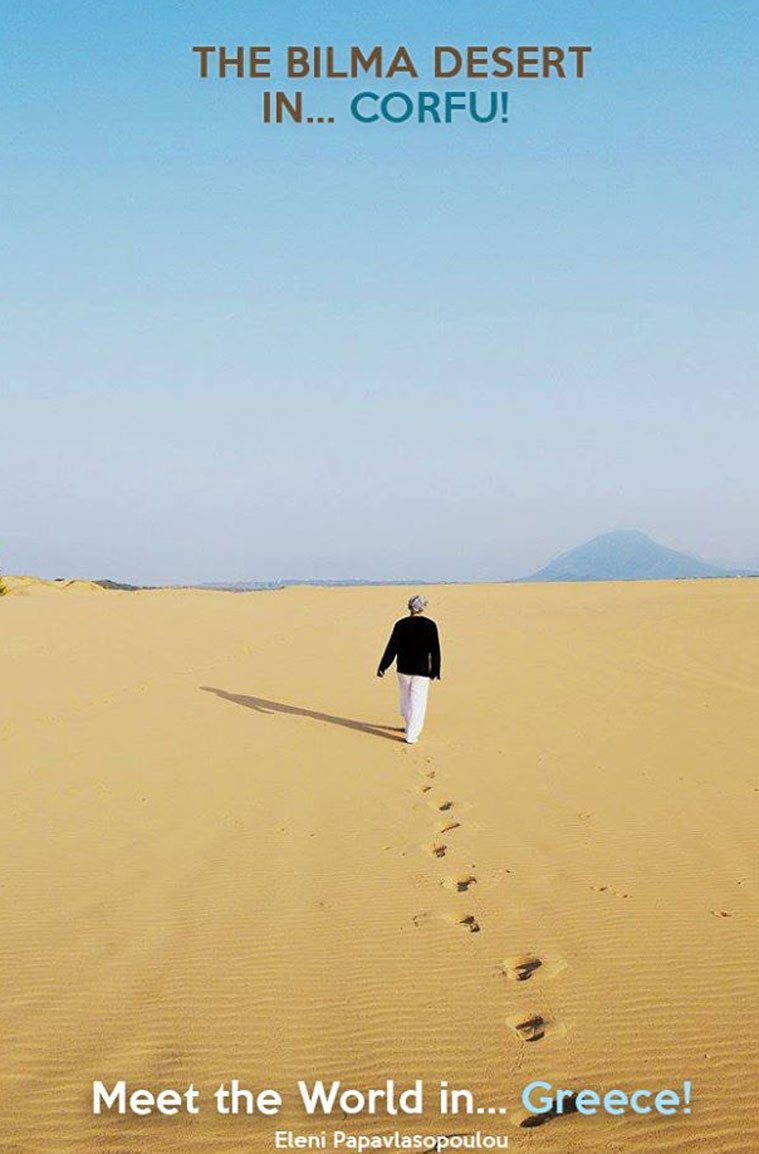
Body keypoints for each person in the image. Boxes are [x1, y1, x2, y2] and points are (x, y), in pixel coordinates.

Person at [377, 595, 441, 744]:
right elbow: (435, 650)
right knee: (418, 701)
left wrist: (383, 666)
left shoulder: (401, 624)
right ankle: (412, 734)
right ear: (423, 607)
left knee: (405, 698)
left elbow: (392, 647)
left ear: (409, 607)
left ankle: (408, 726)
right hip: (422, 670)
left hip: (403, 669)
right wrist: (436, 669)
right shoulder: (430, 625)